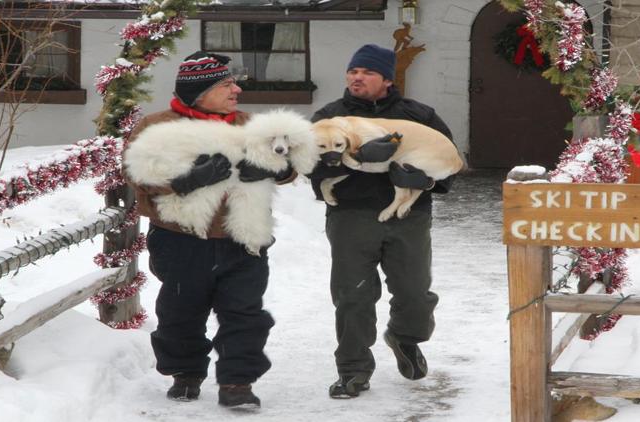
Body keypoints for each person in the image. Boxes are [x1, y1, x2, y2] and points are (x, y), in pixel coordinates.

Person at [124, 51, 293, 409]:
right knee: (181, 311)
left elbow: (290, 160)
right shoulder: (156, 127)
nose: (236, 89)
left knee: (245, 313)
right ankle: (185, 373)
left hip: (244, 239)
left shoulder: (250, 125)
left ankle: (237, 382)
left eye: (234, 81)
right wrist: (186, 181)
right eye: (226, 83)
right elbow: (139, 175)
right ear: (199, 91)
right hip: (181, 239)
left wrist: (274, 170)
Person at [308, 44, 455, 399]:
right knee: (352, 295)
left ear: (387, 79)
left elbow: (447, 161)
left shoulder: (418, 115)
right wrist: (346, 162)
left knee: (415, 292)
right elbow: (310, 169)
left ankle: (404, 337)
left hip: (409, 217)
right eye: (353, 71)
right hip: (351, 216)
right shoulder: (330, 116)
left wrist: (428, 182)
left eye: (368, 72)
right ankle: (353, 370)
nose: (357, 77)